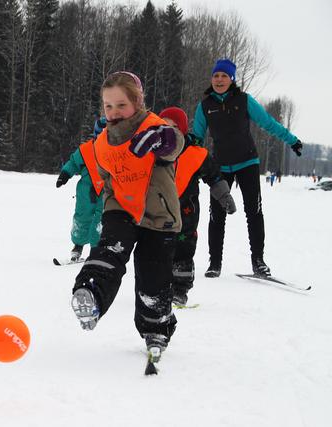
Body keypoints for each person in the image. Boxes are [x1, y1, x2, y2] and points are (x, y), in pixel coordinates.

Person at [70, 71, 185, 360]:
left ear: (138, 101)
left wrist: (161, 139)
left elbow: (175, 144)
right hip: (120, 207)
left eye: (121, 105)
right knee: (109, 249)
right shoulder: (102, 142)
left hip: (158, 214)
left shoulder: (155, 127)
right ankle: (92, 293)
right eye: (108, 106)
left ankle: (156, 327)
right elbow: (105, 176)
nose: (114, 112)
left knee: (153, 274)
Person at [192, 59, 303, 277]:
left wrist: (291, 140)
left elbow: (268, 123)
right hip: (220, 166)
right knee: (216, 215)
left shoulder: (244, 100)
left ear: (232, 79)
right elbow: (196, 138)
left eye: (224, 76)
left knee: (254, 212)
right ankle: (215, 263)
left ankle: (258, 261)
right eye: (216, 76)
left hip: (247, 163)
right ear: (211, 79)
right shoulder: (205, 106)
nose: (219, 80)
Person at [158, 106, 236, 306]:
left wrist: (224, 196)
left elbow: (214, 176)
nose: (169, 130)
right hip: (158, 213)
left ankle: (180, 290)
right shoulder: (151, 151)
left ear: (182, 130)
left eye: (174, 126)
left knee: (183, 250)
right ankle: (157, 287)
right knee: (158, 250)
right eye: (164, 125)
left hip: (186, 212)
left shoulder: (196, 154)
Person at [55, 139, 104, 262]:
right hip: (85, 191)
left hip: (106, 191)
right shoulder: (86, 149)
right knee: (82, 216)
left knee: (101, 219)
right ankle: (78, 246)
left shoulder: (117, 146)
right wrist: (65, 174)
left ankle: (96, 249)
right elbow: (73, 163)